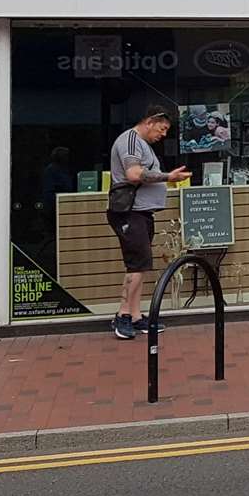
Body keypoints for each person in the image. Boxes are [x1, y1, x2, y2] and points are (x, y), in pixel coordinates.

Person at [107, 106, 191, 340]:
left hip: (142, 213)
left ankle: (135, 316)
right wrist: (168, 177)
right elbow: (134, 174)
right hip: (130, 212)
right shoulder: (131, 141)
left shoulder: (142, 145)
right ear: (150, 121)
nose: (163, 135)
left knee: (141, 266)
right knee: (136, 266)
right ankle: (122, 316)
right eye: (162, 129)